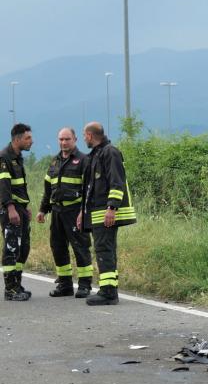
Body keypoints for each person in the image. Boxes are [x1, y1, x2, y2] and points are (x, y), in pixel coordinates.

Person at [78, 122, 136, 305]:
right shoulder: (96, 155)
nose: (84, 139)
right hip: (97, 214)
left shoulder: (110, 152)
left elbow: (116, 182)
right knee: (103, 249)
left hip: (106, 213)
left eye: (84, 136)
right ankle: (108, 290)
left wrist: (112, 208)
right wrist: (83, 213)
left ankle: (109, 293)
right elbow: (90, 189)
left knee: (105, 250)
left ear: (89, 135)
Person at [36, 127, 93, 298]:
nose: (63, 142)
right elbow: (48, 189)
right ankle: (65, 284)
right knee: (58, 247)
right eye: (61, 139)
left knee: (80, 247)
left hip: (75, 211)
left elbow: (89, 190)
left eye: (67, 139)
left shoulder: (84, 160)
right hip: (57, 211)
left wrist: (84, 212)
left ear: (75, 139)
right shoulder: (54, 161)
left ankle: (84, 285)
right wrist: (42, 210)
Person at [0, 123, 33, 301]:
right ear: (17, 139)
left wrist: (25, 206)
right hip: (9, 209)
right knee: (11, 247)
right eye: (28, 138)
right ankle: (10, 289)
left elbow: (19, 185)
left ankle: (17, 283)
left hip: (20, 208)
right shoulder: (4, 157)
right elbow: (4, 186)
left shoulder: (18, 157)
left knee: (24, 247)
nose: (31, 141)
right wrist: (11, 208)